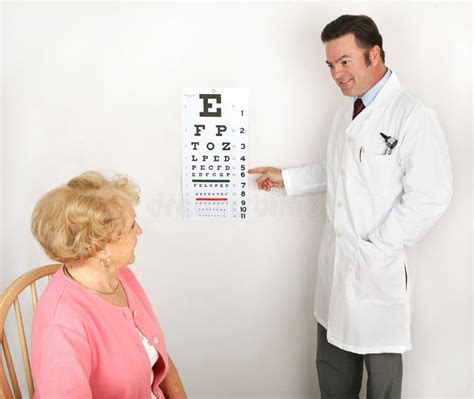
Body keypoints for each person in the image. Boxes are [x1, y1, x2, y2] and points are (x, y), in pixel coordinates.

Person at [249, 15, 452, 399]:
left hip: (376, 273)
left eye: (344, 61)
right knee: (332, 374)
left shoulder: (413, 116)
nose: (336, 74)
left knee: (383, 383)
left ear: (373, 54)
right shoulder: (347, 112)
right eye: (330, 65)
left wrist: (377, 247)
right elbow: (339, 172)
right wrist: (286, 178)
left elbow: (432, 194)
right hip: (338, 268)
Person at [31, 171, 187, 398]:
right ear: (101, 247)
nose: (140, 231)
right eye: (132, 225)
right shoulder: (62, 326)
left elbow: (158, 352)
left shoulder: (121, 276)